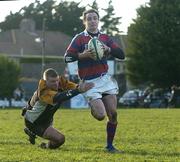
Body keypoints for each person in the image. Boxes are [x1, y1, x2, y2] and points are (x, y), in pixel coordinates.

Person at [64, 9, 125, 152]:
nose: (92, 21)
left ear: (98, 20)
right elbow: (67, 57)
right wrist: (82, 55)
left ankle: (110, 146)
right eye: (89, 19)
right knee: (100, 115)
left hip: (105, 79)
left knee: (113, 114)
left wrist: (108, 49)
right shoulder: (79, 38)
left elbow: (121, 55)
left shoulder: (105, 38)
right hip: (89, 82)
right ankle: (93, 107)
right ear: (84, 21)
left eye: (95, 18)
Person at [22, 68, 93, 149]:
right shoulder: (44, 92)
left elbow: (70, 86)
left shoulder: (60, 82)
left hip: (46, 119)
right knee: (60, 139)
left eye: (56, 80)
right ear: (45, 82)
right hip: (34, 123)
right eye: (52, 81)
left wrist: (78, 86)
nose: (56, 83)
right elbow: (59, 97)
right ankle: (42, 142)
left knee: (56, 136)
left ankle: (33, 134)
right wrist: (78, 90)